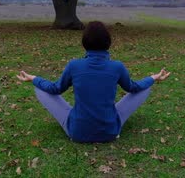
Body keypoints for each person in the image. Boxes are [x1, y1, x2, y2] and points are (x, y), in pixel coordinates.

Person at [17, 21, 171, 143]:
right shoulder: (117, 66)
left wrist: (34, 78)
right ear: (108, 43)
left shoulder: (74, 65)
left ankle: (81, 121)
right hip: (110, 132)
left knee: (40, 88)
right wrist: (153, 77)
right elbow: (133, 87)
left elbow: (55, 89)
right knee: (144, 87)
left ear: (85, 43)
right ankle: (106, 123)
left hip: (77, 132)